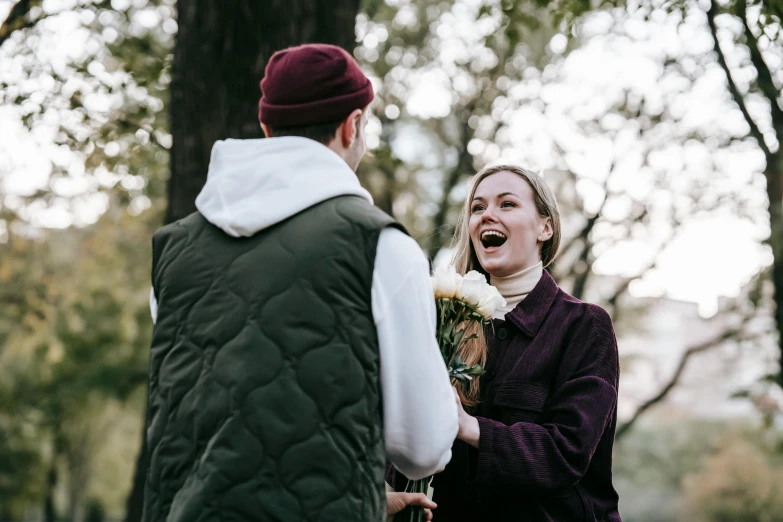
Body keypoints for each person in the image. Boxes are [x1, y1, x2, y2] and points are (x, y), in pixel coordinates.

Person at [143, 43, 458, 522]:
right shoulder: (381, 247)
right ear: (352, 126)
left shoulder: (173, 253)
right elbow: (424, 444)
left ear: (267, 128)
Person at [387, 164, 621, 521]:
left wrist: (466, 426)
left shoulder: (584, 326)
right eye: (477, 208)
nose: (487, 215)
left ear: (546, 227)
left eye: (507, 204)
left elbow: (566, 453)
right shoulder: (440, 320)